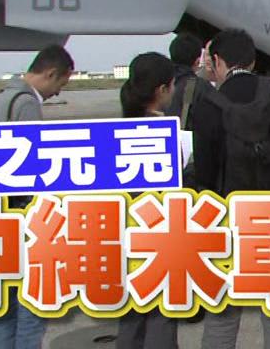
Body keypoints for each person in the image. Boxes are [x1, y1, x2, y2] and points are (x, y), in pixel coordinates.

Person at [197, 29, 270, 349]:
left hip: (227, 218)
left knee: (223, 312)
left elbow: (204, 170)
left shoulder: (208, 101)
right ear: (253, 60)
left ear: (218, 61)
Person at [0, 44, 74, 349]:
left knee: (6, 313)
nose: (57, 92)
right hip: (23, 218)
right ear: (50, 74)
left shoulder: (3, 98)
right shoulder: (26, 104)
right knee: (32, 309)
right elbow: (31, 168)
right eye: (60, 84)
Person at [117, 53, 180, 349]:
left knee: (131, 316)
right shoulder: (162, 132)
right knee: (161, 316)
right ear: (161, 89)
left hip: (125, 234)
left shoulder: (118, 129)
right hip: (158, 234)